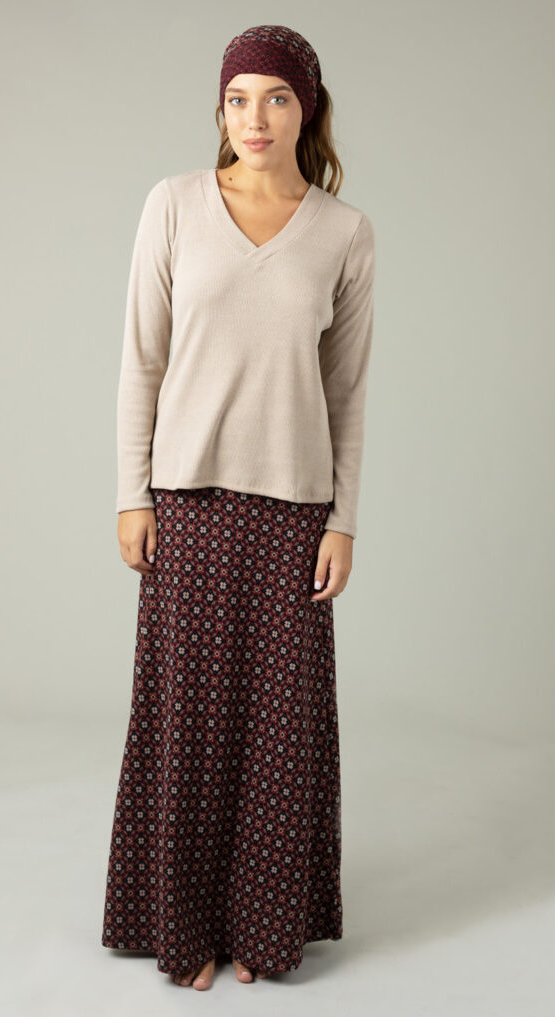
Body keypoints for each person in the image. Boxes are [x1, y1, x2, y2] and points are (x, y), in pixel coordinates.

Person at [100, 23, 375, 991]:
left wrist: (343, 518)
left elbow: (346, 392)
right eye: (237, 99)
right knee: (188, 721)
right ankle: (185, 927)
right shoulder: (173, 205)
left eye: (276, 98)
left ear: (307, 108)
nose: (254, 118)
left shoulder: (344, 232)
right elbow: (141, 358)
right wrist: (131, 493)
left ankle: (263, 926)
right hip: (187, 502)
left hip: (295, 510)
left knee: (278, 732)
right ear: (219, 111)